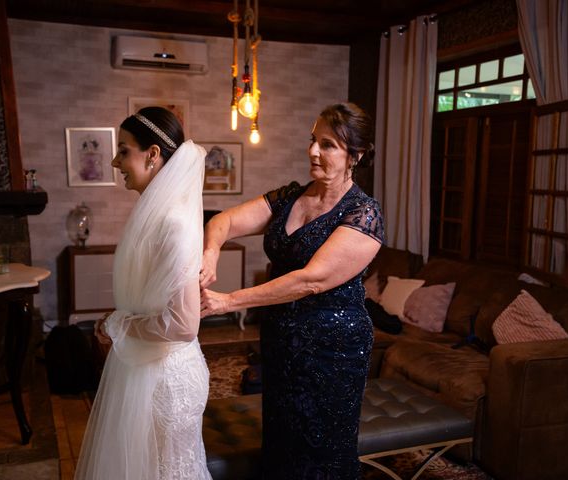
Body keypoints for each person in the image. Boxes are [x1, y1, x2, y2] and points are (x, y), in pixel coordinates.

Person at [200, 102, 384, 479]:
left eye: (328, 144)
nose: (313, 151)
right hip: (282, 340)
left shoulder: (364, 214)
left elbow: (310, 279)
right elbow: (223, 219)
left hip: (333, 349)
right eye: (313, 140)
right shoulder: (288, 197)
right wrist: (210, 252)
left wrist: (229, 301)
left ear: (356, 155)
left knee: (321, 451)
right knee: (281, 443)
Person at [75, 107, 212, 480]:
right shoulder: (156, 213)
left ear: (152, 155)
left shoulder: (173, 223)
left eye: (123, 150)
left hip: (167, 381)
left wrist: (118, 322)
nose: (115, 160)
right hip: (147, 368)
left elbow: (183, 325)